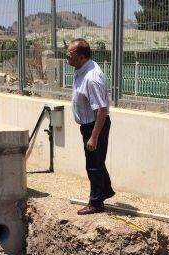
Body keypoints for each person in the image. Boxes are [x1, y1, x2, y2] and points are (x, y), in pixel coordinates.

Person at [67, 38, 115, 215]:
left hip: (95, 125)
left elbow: (102, 109)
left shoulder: (91, 77)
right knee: (97, 160)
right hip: (88, 124)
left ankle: (96, 203)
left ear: (80, 56)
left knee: (93, 165)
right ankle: (106, 190)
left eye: (70, 53)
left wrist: (94, 136)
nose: (67, 56)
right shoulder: (82, 68)